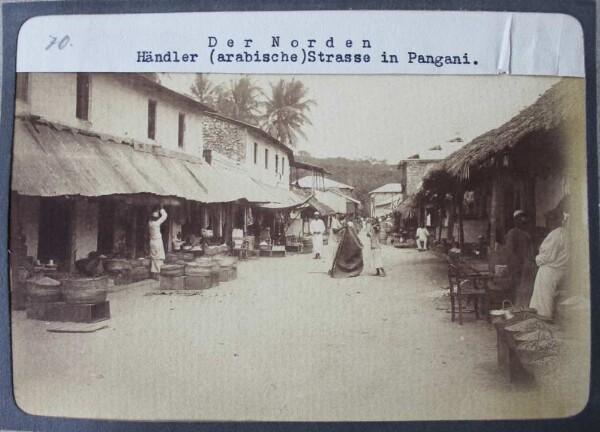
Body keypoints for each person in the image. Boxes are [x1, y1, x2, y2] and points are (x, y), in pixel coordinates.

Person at [529, 210, 570, 319]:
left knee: (544, 298)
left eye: (550, 219)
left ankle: (544, 320)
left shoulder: (555, 234)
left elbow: (548, 256)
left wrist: (536, 258)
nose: (548, 222)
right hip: (560, 269)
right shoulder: (565, 232)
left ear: (557, 220)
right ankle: (543, 319)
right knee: (545, 297)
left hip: (550, 271)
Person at [505, 210, 534, 305]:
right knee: (516, 287)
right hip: (517, 266)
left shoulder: (526, 233)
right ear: (516, 220)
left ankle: (521, 306)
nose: (523, 221)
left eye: (525, 219)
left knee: (524, 288)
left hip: (526, 266)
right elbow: (510, 251)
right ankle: (515, 307)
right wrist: (518, 265)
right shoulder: (512, 233)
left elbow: (529, 250)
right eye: (521, 219)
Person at [149, 207, 168, 279]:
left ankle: (154, 274)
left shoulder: (150, 223)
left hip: (152, 242)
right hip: (157, 242)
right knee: (159, 258)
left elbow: (152, 218)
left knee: (154, 258)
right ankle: (159, 275)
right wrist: (162, 209)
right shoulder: (156, 224)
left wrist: (156, 211)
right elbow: (164, 216)